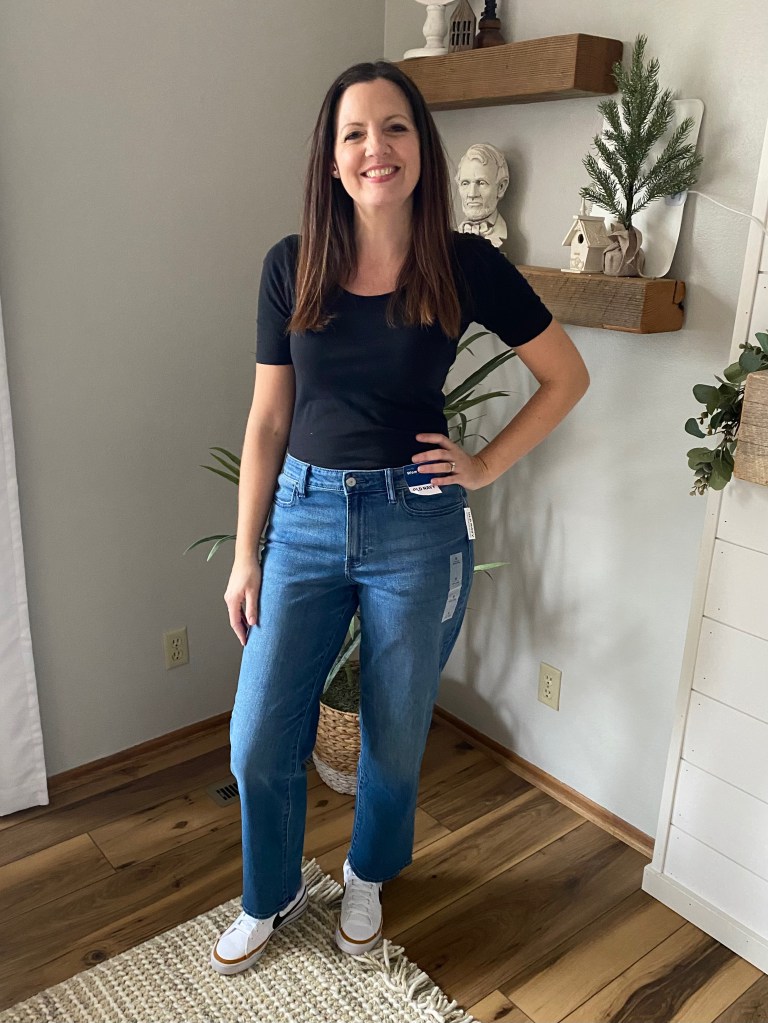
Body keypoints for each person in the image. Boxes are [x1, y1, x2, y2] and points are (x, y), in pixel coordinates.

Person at [210, 59, 589, 976]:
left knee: (393, 729)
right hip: (302, 518)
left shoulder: (465, 264)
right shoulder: (291, 264)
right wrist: (246, 553)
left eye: (394, 128)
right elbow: (267, 422)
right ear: (331, 158)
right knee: (258, 735)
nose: (375, 148)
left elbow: (566, 376)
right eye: (355, 133)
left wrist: (485, 464)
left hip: (416, 528)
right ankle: (273, 891)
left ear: (422, 145)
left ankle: (368, 874)